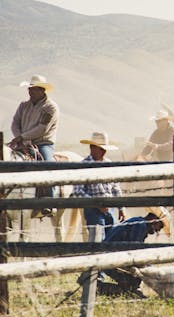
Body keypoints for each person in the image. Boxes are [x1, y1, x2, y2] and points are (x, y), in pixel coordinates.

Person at [9, 74, 59, 215]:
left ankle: (49, 202)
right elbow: (14, 123)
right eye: (29, 89)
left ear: (42, 90)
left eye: (34, 89)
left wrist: (22, 136)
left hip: (43, 143)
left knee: (47, 165)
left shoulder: (50, 107)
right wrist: (19, 137)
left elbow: (42, 128)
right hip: (23, 142)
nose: (30, 92)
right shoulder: (23, 106)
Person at [98, 207, 171, 297]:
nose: (158, 230)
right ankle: (99, 288)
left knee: (134, 281)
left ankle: (105, 289)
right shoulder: (140, 226)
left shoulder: (138, 223)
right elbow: (134, 253)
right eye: (160, 226)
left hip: (110, 256)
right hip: (110, 259)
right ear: (154, 220)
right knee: (134, 281)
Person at [71, 132, 125, 240]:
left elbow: (115, 187)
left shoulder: (108, 164)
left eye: (104, 149)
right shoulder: (84, 165)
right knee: (96, 238)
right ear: (92, 148)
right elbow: (78, 191)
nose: (104, 151)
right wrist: (97, 204)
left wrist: (121, 207)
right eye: (101, 149)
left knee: (111, 238)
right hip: (93, 210)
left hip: (110, 208)